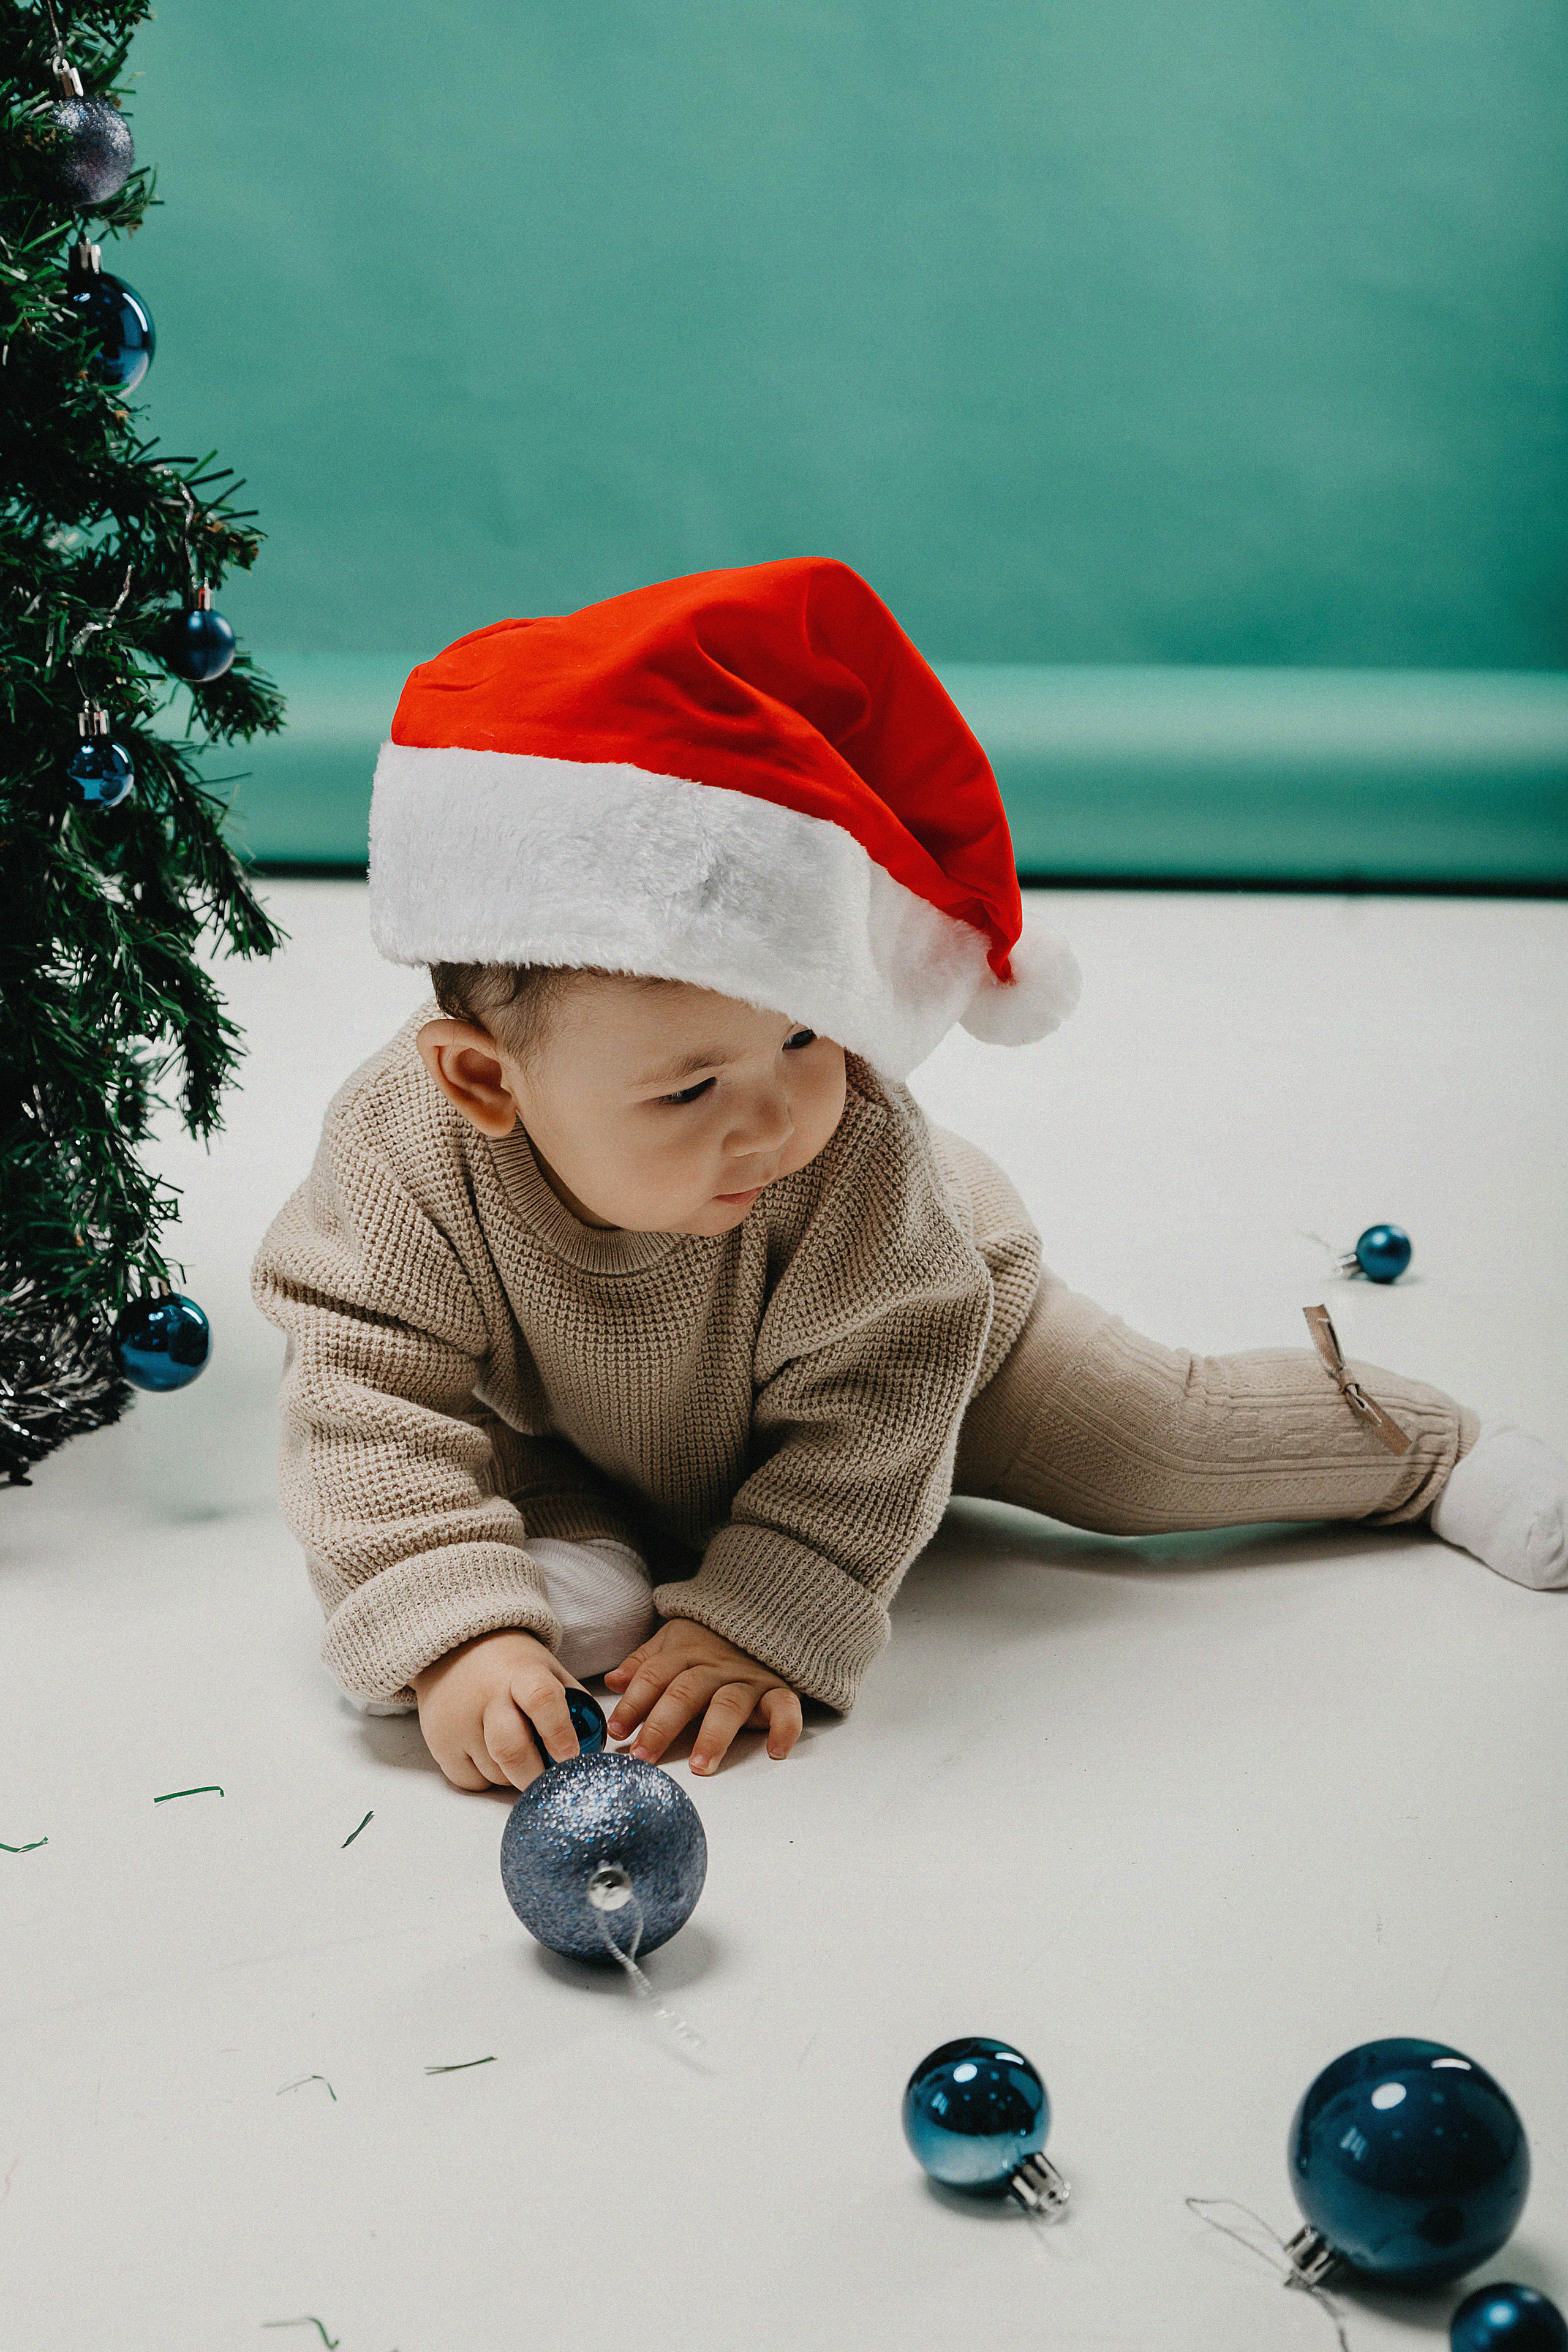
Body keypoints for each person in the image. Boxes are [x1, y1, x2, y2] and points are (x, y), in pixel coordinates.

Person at [251, 559, 1566, 1795]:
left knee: (1156, 1447)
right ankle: (576, 1552)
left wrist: (767, 1614)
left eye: (803, 1034)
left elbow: (880, 1395)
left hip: (941, 1348)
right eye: (689, 1089)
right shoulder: (404, 1154)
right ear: (485, 1083)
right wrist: (446, 1631)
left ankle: (1431, 1454)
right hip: (586, 1413)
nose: (772, 1119)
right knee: (503, 1469)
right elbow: (368, 1390)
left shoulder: (852, 1154)